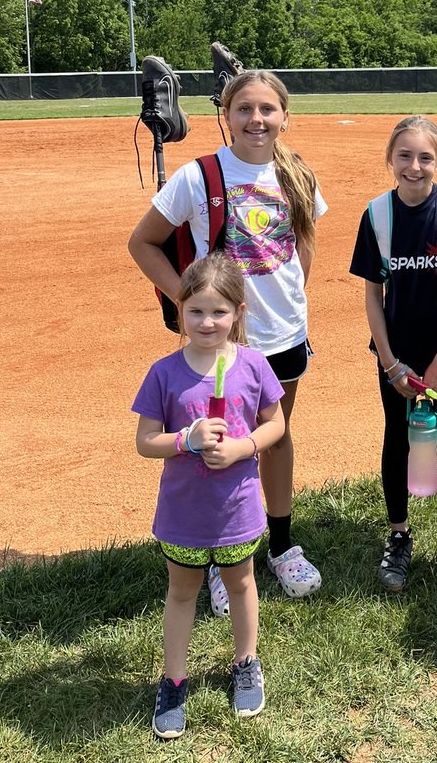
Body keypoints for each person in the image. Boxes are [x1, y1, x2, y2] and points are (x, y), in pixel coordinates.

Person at [129, 69, 326, 608]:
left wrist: (289, 299)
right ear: (227, 115)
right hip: (221, 342)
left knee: (275, 436)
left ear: (284, 116)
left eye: (267, 110)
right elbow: (142, 242)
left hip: (283, 334)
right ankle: (221, 554)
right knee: (216, 442)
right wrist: (186, 299)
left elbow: (303, 246)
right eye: (244, 109)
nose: (256, 120)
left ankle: (281, 545)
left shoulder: (298, 176)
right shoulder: (199, 176)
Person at [133, 253, 286, 738]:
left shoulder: (254, 365)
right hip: (183, 515)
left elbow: (275, 424)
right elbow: (145, 442)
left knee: (240, 583)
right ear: (179, 310)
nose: (207, 321)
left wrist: (243, 447)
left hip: (237, 510)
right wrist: (187, 440)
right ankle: (174, 679)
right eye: (196, 310)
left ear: (238, 312)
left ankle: (246, 662)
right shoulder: (164, 373)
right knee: (182, 592)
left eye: (219, 311)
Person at [349, 116, 437, 598]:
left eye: (425, 157)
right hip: (397, 354)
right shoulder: (377, 215)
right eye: (404, 156)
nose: (414, 166)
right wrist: (390, 362)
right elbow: (372, 295)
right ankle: (399, 534)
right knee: (397, 440)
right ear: (391, 159)